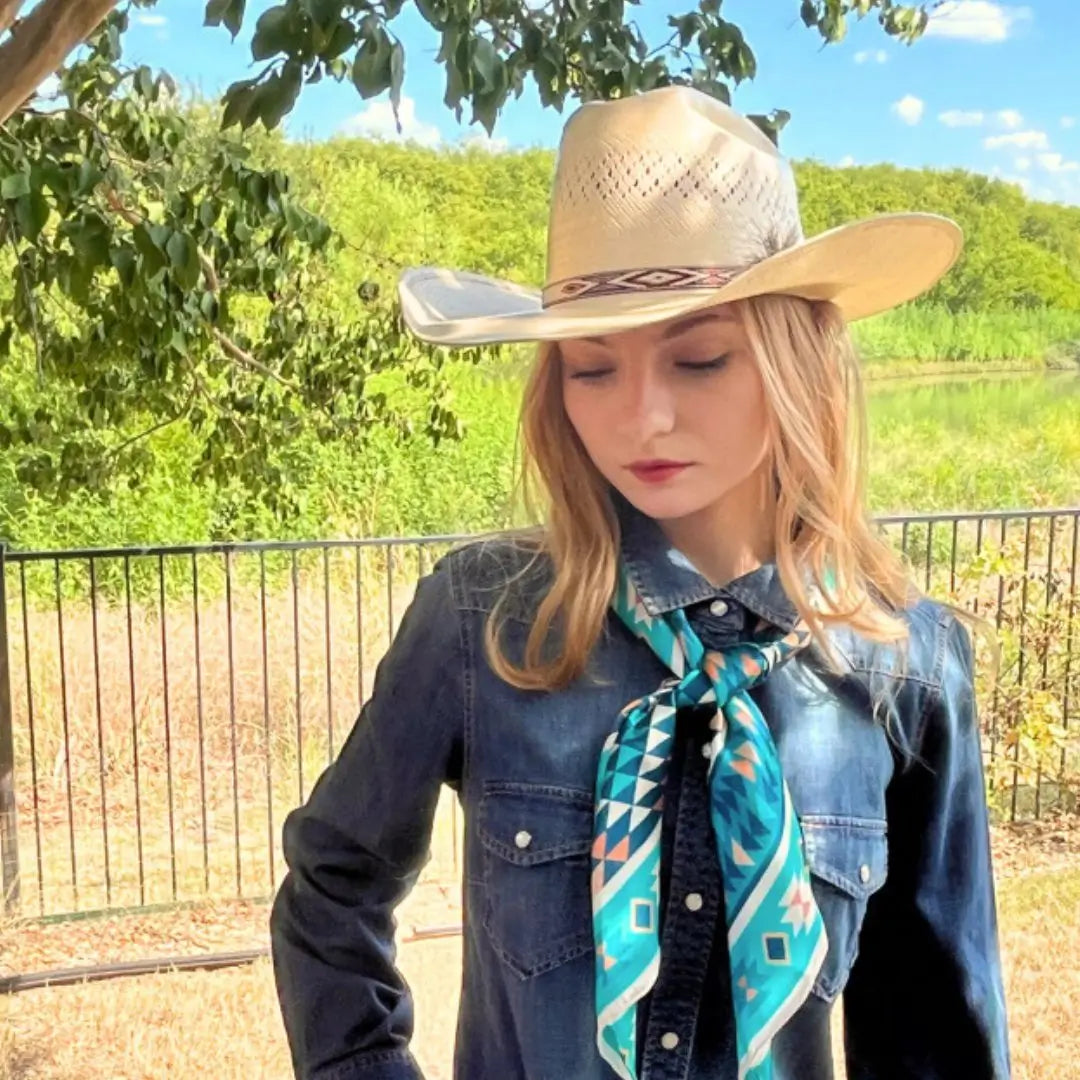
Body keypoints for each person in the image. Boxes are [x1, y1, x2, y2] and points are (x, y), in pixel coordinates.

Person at [269, 85, 1010, 1080]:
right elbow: (333, 887)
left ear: (799, 365)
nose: (641, 418)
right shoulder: (483, 626)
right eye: (590, 368)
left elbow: (934, 1020)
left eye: (699, 360)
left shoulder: (903, 664)